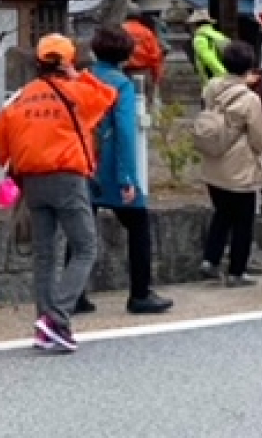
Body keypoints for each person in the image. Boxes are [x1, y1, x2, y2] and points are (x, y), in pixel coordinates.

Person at [0, 34, 116, 354]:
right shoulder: (77, 92)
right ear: (67, 60)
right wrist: (80, 75)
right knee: (86, 247)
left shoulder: (21, 97)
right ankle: (57, 318)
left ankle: (45, 324)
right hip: (67, 177)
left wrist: (11, 160)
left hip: (32, 180)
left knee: (45, 254)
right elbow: (107, 97)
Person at [76, 26, 172, 316]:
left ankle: (76, 293)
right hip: (110, 166)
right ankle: (140, 293)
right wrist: (127, 177)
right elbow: (126, 134)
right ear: (127, 54)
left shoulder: (81, 79)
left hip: (80, 163)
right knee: (138, 223)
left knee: (80, 231)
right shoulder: (121, 85)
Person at [198, 41, 262, 287]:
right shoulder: (249, 99)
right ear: (248, 67)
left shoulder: (211, 88)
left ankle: (210, 259)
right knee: (243, 220)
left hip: (212, 163)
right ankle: (236, 271)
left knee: (222, 214)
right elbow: (258, 135)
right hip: (239, 166)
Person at [122, 8, 167, 105]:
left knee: (124, 103)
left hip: (122, 72)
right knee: (144, 104)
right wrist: (156, 76)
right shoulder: (146, 32)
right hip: (143, 71)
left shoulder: (119, 31)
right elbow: (155, 56)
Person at [188, 10, 230, 86]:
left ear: (195, 24)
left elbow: (209, 60)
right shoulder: (219, 35)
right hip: (227, 73)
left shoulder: (200, 38)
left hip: (215, 81)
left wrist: (225, 76)